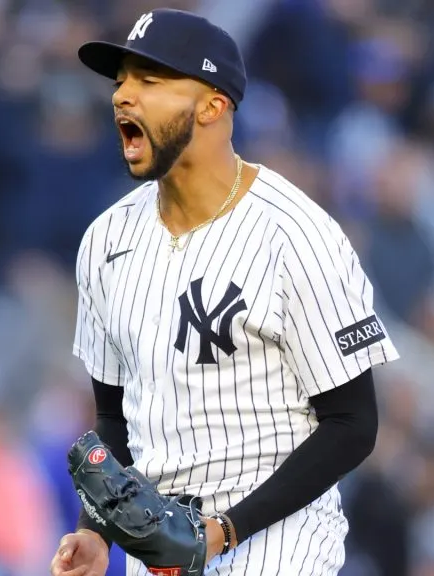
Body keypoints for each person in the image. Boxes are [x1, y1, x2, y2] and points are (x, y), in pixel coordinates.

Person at [51, 8, 400, 576]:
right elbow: (115, 416)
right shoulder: (105, 241)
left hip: (279, 546)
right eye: (122, 82)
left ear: (213, 105)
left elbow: (353, 424)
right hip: (159, 548)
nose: (123, 97)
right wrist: (97, 534)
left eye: (151, 80)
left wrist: (222, 532)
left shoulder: (296, 234)